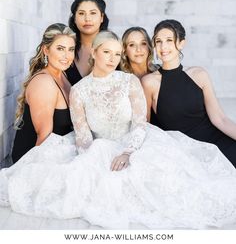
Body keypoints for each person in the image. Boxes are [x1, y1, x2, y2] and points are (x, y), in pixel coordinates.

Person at [1, 31, 236, 229]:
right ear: (93, 52)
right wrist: (94, 159)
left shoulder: (129, 82)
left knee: (172, 189)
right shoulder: (79, 90)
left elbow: (140, 123)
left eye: (117, 54)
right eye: (106, 52)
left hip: (136, 144)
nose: (113, 58)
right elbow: (83, 136)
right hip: (99, 147)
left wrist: (128, 152)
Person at [142, 19, 236, 168]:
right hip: (184, 152)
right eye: (158, 41)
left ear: (181, 43)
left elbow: (220, 119)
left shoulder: (199, 74)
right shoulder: (149, 82)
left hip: (217, 142)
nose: (163, 46)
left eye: (169, 40)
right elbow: (146, 126)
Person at [11, 23, 76, 163]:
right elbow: (44, 138)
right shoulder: (44, 83)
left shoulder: (62, 75)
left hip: (59, 152)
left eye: (71, 49)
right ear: (46, 50)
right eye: (60, 49)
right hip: (35, 160)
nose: (67, 55)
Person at [66, 0, 109, 85]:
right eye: (81, 13)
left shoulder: (114, 47)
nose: (87, 18)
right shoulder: (65, 48)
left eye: (93, 13)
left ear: (102, 17)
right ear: (74, 18)